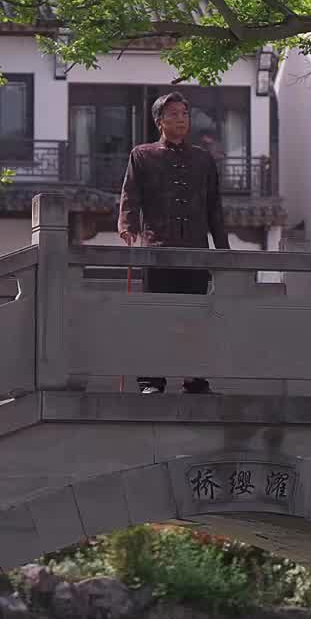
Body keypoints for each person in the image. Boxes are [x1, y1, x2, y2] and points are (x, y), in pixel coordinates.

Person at [118, 91, 229, 394]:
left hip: (196, 251)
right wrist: (128, 226)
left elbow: (214, 207)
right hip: (158, 250)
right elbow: (131, 195)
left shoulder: (203, 159)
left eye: (184, 113)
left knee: (196, 316)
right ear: (159, 121)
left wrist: (223, 248)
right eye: (173, 114)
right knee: (156, 316)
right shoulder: (142, 155)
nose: (181, 119)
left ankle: (195, 378)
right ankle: (152, 381)